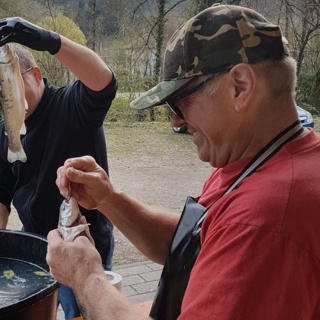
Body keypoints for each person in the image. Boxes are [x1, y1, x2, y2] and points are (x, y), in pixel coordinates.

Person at [47, 4, 320, 320]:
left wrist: (86, 276)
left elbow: (236, 231)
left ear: (240, 87)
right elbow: (197, 243)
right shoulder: (259, 162)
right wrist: (109, 199)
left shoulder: (265, 220)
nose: (176, 121)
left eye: (182, 101)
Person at [0, 18, 115, 319]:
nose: (6, 92)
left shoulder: (72, 105)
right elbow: (1, 198)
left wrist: (46, 39)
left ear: (36, 75)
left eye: (10, 80)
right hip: (39, 250)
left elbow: (104, 82)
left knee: (86, 313)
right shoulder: (7, 132)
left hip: (83, 244)